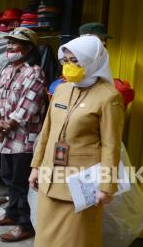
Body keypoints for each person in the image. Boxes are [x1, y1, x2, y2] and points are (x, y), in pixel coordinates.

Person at [28, 35, 124, 247]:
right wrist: (36, 166)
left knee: (77, 240)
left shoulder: (108, 97)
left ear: (92, 61)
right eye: (66, 61)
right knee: (46, 240)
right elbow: (47, 131)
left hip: (81, 185)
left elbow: (111, 145)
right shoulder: (61, 90)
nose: (69, 66)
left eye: (75, 61)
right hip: (50, 177)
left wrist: (107, 185)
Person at [0, 27, 47, 242]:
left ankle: (25, 225)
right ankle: (11, 215)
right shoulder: (7, 70)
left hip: (24, 140)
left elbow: (28, 105)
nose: (10, 47)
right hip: (6, 137)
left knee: (21, 183)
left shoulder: (35, 72)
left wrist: (7, 124)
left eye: (15, 43)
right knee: (9, 179)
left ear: (28, 48)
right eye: (9, 42)